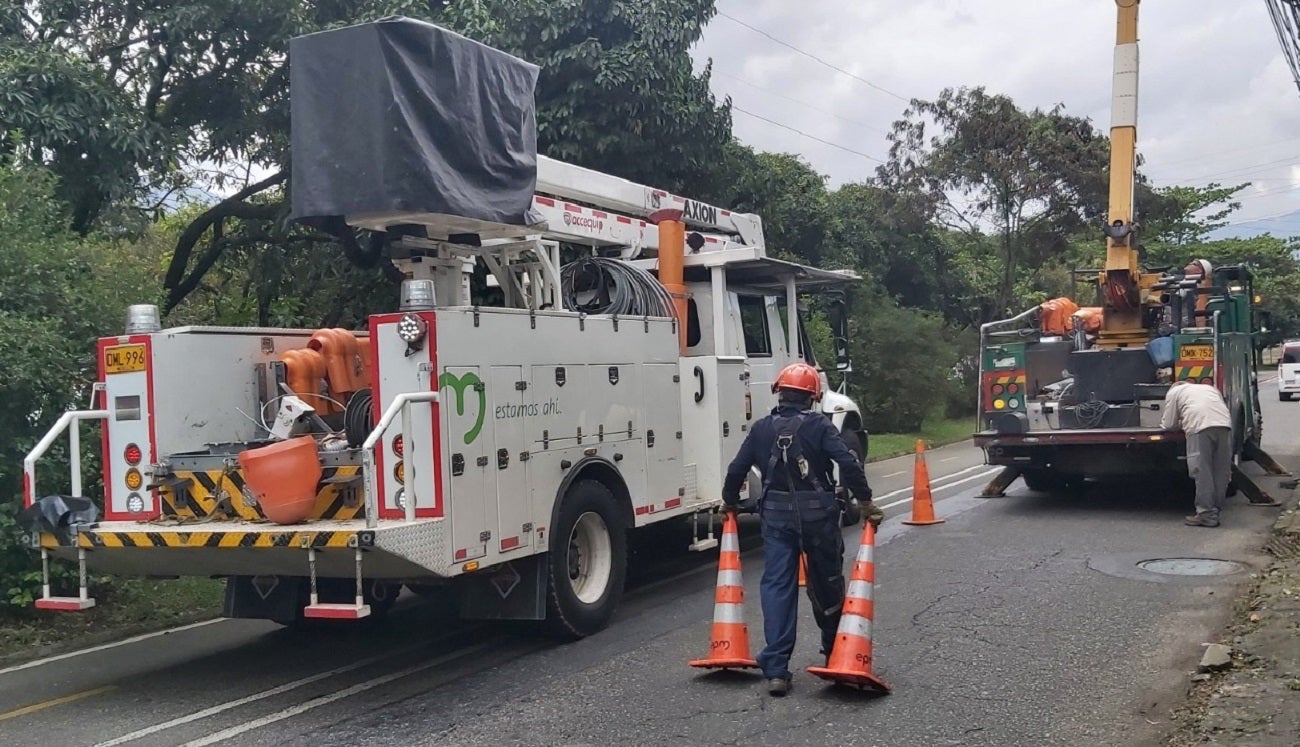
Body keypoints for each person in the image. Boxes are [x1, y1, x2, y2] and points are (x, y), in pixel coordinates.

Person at [721, 361, 883, 696]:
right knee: (827, 584)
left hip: (777, 520)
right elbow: (848, 464)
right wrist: (865, 502)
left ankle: (777, 670)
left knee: (778, 587)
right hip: (819, 518)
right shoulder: (821, 427)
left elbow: (736, 469)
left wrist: (730, 503)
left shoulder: (761, 428)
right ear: (812, 397)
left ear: (780, 392)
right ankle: (834, 651)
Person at [1161, 380, 1233, 527]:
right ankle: (1216, 510)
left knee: (1202, 470)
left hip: (1199, 427)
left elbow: (1169, 424)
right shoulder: (1209, 388)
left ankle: (1206, 514)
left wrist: (1178, 423)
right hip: (1224, 425)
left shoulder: (1174, 392)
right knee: (1220, 470)